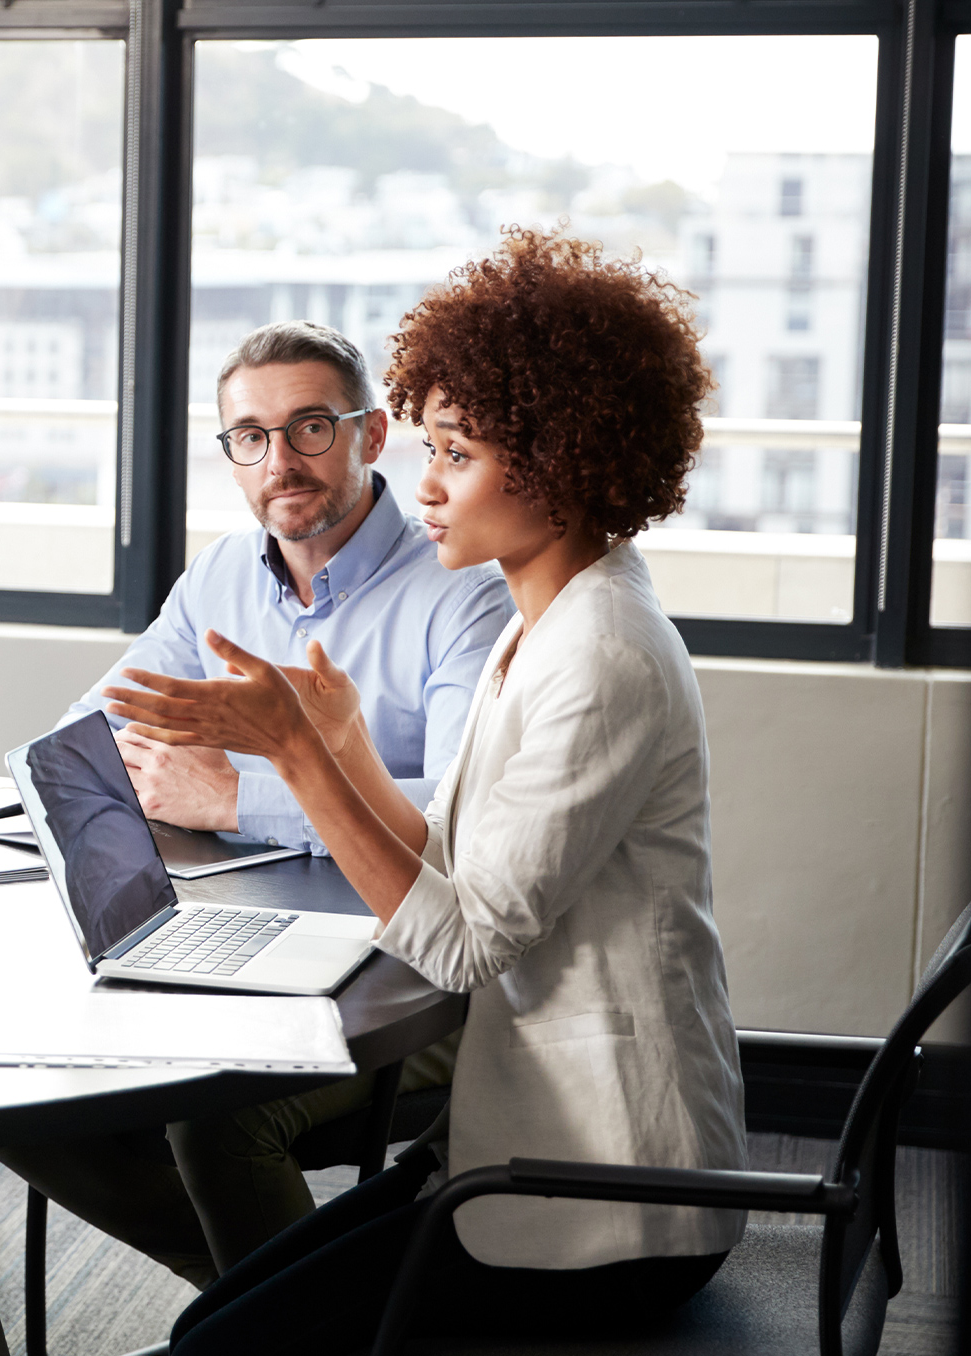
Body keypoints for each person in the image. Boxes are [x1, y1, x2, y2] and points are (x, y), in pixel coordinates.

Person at [105, 229, 745, 1353]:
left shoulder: (601, 655)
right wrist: (343, 745)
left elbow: (460, 946)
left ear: (559, 459)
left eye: (456, 452)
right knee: (217, 1317)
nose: (428, 484)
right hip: (518, 1146)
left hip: (606, 1200)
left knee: (215, 1346)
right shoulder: (553, 615)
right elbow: (457, 849)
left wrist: (298, 755)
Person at [0, 321, 513, 1286]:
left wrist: (239, 796)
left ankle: (280, 1314)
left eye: (312, 427)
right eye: (250, 436)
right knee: (11, 1084)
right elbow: (95, 731)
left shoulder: (464, 592)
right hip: (249, 938)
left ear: (372, 432)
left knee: (220, 1111)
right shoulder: (224, 574)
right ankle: (272, 1308)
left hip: (424, 980)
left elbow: (454, 814)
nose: (282, 460)